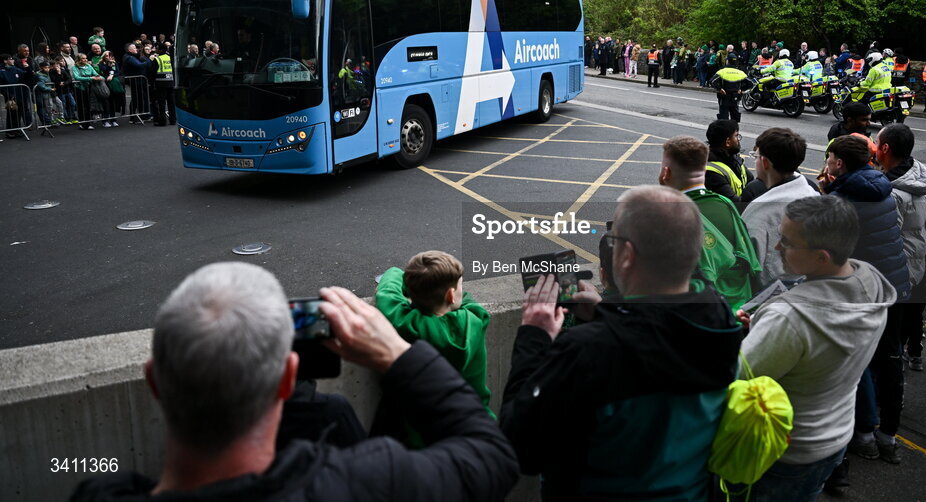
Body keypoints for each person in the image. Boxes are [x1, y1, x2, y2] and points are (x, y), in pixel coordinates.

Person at [71, 262, 519, 501]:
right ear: (288, 379)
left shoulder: (95, 489)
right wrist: (397, 355)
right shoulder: (370, 479)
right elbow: (491, 458)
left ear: (155, 381)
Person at [500, 186, 742, 500]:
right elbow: (658, 339)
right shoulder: (719, 319)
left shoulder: (588, 351)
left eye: (613, 242)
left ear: (626, 255)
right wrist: (604, 311)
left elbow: (519, 446)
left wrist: (534, 335)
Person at [743, 196, 896, 501]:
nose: (776, 248)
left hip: (786, 449)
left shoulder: (789, 319)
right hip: (836, 436)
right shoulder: (869, 281)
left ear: (822, 257)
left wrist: (748, 336)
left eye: (786, 242)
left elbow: (740, 376)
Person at [822, 136, 911, 465]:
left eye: (830, 158)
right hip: (896, 287)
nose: (827, 163)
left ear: (840, 163)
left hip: (862, 292)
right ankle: (887, 437)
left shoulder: (844, 196)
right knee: (890, 363)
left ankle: (861, 435)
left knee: (855, 363)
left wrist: (826, 193)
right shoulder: (880, 185)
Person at [374, 251, 494, 444]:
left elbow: (388, 293)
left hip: (424, 437)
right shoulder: (475, 318)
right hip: (475, 426)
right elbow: (466, 302)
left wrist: (413, 280)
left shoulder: (406, 323)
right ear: (451, 295)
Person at [659, 136, 760, 309]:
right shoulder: (726, 203)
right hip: (739, 307)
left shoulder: (668, 215)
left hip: (700, 312)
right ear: (704, 170)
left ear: (666, 173)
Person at [876, 124, 926, 371]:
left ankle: (889, 393)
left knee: (888, 343)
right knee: (897, 335)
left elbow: (888, 240)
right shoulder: (917, 174)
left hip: (897, 270)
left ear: (886, 148)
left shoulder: (892, 191)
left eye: (877, 143)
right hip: (915, 261)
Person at [742, 128, 820, 288]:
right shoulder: (813, 194)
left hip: (771, 297)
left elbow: (747, 266)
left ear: (764, 163)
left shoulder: (759, 213)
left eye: (756, 157)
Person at [705, 119, 752, 208]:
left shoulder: (735, 159)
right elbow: (736, 204)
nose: (738, 139)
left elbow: (752, 183)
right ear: (728, 142)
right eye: (736, 136)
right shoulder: (711, 171)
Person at [71, 53, 104, 130]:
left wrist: (100, 77)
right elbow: (77, 77)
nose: (85, 60)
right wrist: (91, 78)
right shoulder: (75, 67)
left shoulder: (89, 66)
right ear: (78, 60)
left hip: (89, 88)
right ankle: (82, 123)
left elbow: (96, 74)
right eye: (83, 58)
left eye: (86, 58)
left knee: (88, 106)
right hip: (79, 89)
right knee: (81, 107)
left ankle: (88, 123)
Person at [152, 43, 175, 126]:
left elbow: (152, 72)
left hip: (161, 83)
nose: (156, 49)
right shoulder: (169, 58)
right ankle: (173, 120)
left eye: (157, 48)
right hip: (170, 82)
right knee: (171, 103)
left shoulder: (157, 59)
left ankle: (163, 121)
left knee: (162, 103)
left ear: (161, 50)